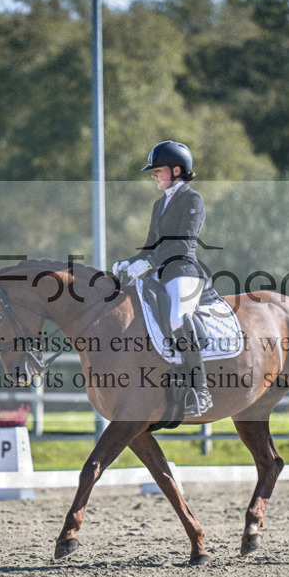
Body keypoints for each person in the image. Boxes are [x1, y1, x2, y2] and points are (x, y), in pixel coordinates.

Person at [113, 140, 213, 416]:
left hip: (183, 270)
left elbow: (182, 244)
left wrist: (148, 263)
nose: (154, 175)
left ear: (177, 170)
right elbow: (150, 246)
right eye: (154, 171)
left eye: (158, 170)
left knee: (178, 317)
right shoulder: (159, 205)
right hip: (158, 272)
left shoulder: (192, 200)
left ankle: (201, 389)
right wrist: (128, 262)